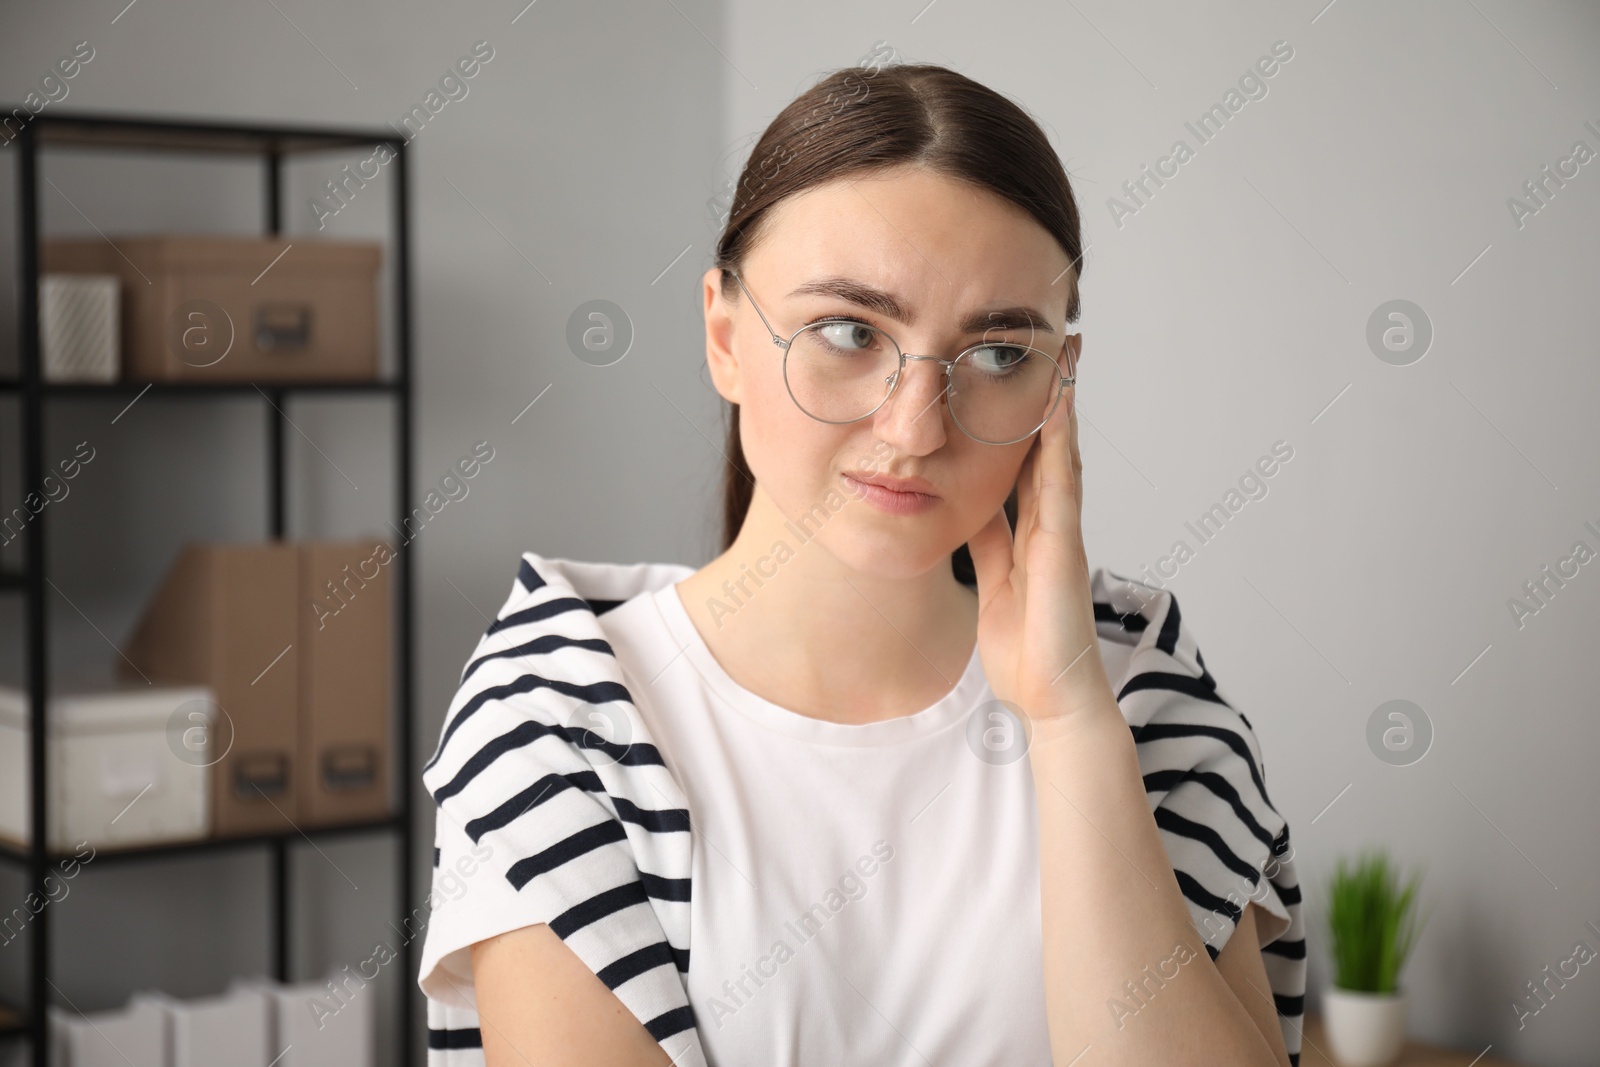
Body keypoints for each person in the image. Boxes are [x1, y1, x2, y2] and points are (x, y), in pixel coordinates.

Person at [417, 61, 1305, 1067]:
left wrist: (1068, 721)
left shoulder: (1146, 702)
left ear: (1060, 382)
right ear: (722, 332)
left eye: (998, 351)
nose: (914, 426)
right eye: (849, 333)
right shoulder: (561, 711)